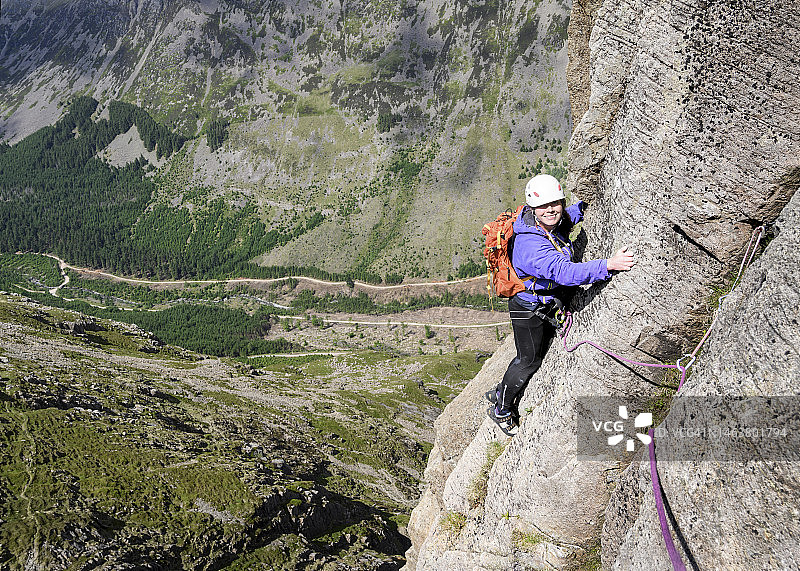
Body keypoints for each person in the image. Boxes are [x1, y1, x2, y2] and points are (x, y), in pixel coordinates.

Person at [487, 174, 634, 433]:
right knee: (528, 361)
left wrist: (584, 207)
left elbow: (565, 219)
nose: (551, 209)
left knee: (536, 353)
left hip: (543, 301)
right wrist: (609, 265)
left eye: (555, 203)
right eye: (544, 205)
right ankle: (502, 408)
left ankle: (502, 390)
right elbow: (564, 272)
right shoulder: (531, 245)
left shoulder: (544, 221)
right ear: (533, 208)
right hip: (527, 308)